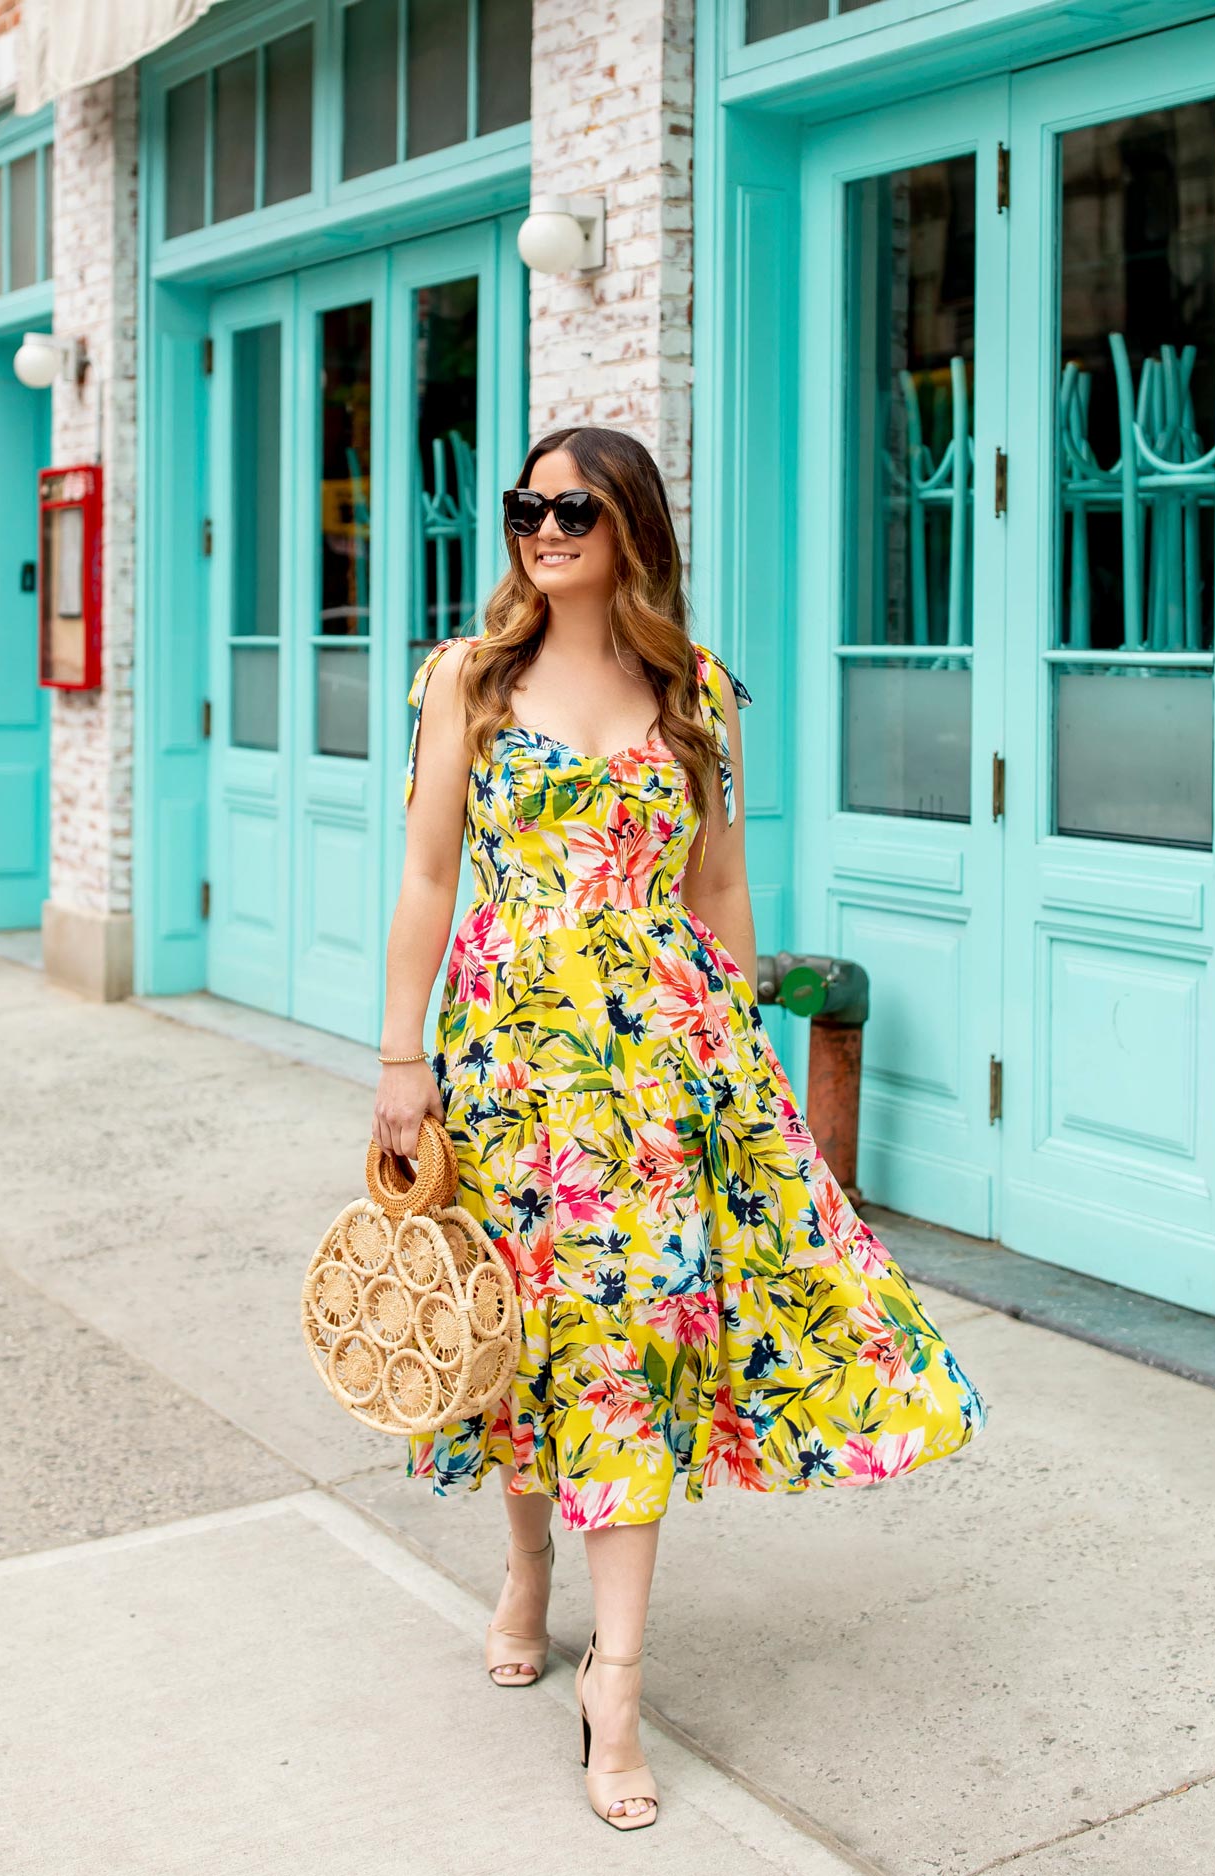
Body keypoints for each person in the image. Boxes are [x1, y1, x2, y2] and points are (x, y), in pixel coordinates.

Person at [372, 425, 988, 1831]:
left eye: (572, 507)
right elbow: (424, 877)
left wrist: (747, 1068)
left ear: (631, 525)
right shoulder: (466, 680)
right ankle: (527, 1567)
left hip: (662, 1075)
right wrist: (400, 1054)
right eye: (527, 506)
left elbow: (721, 894)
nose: (542, 528)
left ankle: (621, 1683)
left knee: (635, 1350)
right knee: (521, 1345)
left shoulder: (697, 692)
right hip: (509, 1067)